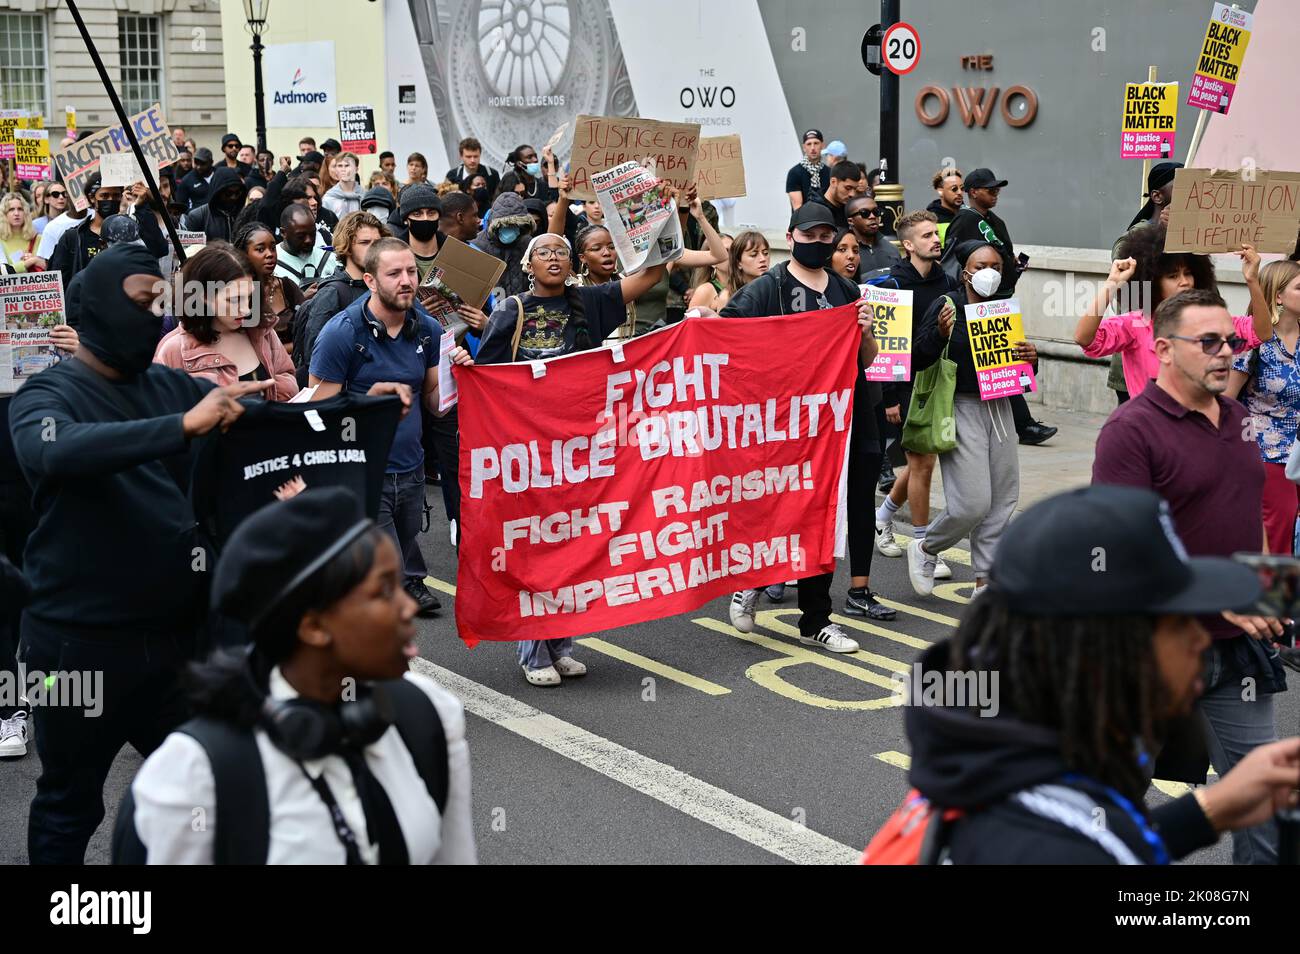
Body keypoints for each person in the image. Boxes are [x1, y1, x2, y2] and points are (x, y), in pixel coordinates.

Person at [9, 244, 273, 862]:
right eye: (139, 302)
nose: (151, 313)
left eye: (161, 302)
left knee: (216, 785)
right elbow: (55, 450)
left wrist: (356, 414)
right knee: (70, 802)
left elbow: (250, 451)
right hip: (76, 647)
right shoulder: (44, 397)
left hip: (178, 640)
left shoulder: (172, 387)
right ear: (96, 306)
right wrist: (181, 427)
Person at [887, 483, 1300, 865]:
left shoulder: (1005, 772)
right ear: (1105, 653)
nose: (1201, 639)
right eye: (1179, 622)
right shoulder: (1047, 845)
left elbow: (1103, 845)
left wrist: (1210, 811)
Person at [122, 487, 476, 864]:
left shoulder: (429, 713)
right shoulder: (191, 781)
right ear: (312, 627)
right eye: (383, 591)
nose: (408, 607)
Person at [1093, 288, 1287, 864]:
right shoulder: (1131, 431)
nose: (1225, 352)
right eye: (1208, 342)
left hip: (1233, 649)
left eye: (1230, 340)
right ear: (1164, 350)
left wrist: (1268, 593)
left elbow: (1248, 509)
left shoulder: (1237, 419)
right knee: (1108, 803)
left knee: (1264, 791)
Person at [470, 232, 665, 684]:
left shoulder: (593, 301)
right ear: (528, 264)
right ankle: (532, 651)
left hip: (580, 447)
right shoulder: (511, 310)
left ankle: (561, 644)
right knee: (536, 547)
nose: (552, 258)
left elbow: (654, 273)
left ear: (571, 261)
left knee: (572, 545)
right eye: (543, 252)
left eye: (560, 251)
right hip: (530, 450)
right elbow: (490, 379)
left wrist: (659, 218)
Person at [716, 203, 882, 649]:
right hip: (783, 426)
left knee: (826, 518)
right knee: (777, 508)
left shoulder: (848, 291)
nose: (819, 243)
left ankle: (815, 619)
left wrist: (865, 331)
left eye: (826, 236)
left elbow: (868, 361)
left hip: (834, 426)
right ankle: (751, 579)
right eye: (809, 236)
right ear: (790, 238)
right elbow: (726, 335)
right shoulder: (768, 288)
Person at [310, 237, 460, 617]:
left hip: (410, 469)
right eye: (394, 273)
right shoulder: (342, 333)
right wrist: (368, 402)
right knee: (386, 574)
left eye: (411, 271)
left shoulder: (426, 328)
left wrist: (456, 375)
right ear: (370, 280)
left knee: (400, 552)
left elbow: (434, 404)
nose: (407, 280)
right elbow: (316, 413)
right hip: (362, 470)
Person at [908, 240, 1039, 599]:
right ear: (965, 271)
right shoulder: (947, 304)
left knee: (1003, 498)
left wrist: (1031, 357)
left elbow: (1019, 368)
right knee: (972, 504)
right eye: (981, 266)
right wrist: (938, 334)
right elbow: (917, 357)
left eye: (996, 266)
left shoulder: (1003, 310)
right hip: (960, 406)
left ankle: (985, 579)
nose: (989, 273)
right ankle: (926, 547)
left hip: (1000, 407)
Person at [1074, 227, 1270, 402]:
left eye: (1188, 273)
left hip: (1199, 431)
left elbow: (1261, 333)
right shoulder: (1136, 324)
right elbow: (1085, 338)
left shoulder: (1211, 321)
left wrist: (1252, 279)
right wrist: (1111, 285)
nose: (1184, 282)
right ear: (1152, 282)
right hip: (1150, 432)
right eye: (1173, 276)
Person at [870, 210, 959, 583]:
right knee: (923, 465)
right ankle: (925, 547)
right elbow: (882, 345)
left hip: (939, 383)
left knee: (923, 462)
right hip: (903, 386)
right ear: (908, 245)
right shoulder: (891, 284)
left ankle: (883, 517)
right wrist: (889, 396)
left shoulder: (949, 281)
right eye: (925, 236)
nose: (935, 240)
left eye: (935, 235)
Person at [941, 167, 1056, 447]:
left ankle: (1021, 423)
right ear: (973, 192)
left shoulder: (995, 221)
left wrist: (1012, 266)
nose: (995, 193)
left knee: (1005, 357)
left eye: (997, 189)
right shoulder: (964, 221)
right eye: (989, 189)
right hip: (976, 301)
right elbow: (951, 259)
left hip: (1001, 298)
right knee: (996, 357)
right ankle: (1023, 424)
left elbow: (1002, 254)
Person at [155, 242, 297, 400]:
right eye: (234, 300)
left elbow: (287, 375)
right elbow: (164, 412)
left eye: (249, 298)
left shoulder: (261, 331)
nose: (246, 309)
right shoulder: (173, 351)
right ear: (204, 296)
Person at [1227, 261, 1300, 556]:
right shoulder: (1254, 344)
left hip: (1299, 452)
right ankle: (1276, 596)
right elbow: (1226, 403)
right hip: (1268, 456)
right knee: (1279, 531)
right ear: (1278, 296)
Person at [294, 210, 389, 372]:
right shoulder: (331, 294)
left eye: (377, 243)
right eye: (365, 243)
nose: (373, 249)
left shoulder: (385, 288)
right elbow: (316, 358)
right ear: (347, 246)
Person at [48, 175, 166, 288]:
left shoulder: (131, 232)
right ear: (92, 198)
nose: (111, 200)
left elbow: (159, 249)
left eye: (116, 195)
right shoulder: (73, 238)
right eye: (104, 196)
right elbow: (59, 282)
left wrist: (141, 207)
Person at [235, 222, 306, 352]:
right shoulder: (238, 294)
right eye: (260, 249)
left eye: (273, 248)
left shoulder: (286, 286)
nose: (270, 254)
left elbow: (310, 330)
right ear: (244, 254)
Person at [471, 192, 535, 300]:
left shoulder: (527, 244)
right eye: (506, 225)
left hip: (521, 308)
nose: (511, 228)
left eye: (516, 225)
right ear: (495, 225)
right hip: (489, 311)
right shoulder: (476, 246)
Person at [181, 166, 249, 243]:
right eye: (228, 193)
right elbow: (189, 249)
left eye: (237, 193)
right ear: (218, 192)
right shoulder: (198, 216)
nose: (233, 197)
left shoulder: (244, 214)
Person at [275, 204, 337, 289]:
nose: (308, 240)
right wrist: (301, 300)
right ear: (283, 233)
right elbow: (256, 301)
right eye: (300, 236)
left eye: (312, 234)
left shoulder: (331, 259)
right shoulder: (268, 263)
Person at [846, 193, 902, 277]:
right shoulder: (845, 253)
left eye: (876, 212)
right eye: (865, 213)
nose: (872, 216)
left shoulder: (892, 249)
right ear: (851, 221)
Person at [399, 184, 443, 280]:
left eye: (431, 213)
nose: (425, 218)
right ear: (406, 219)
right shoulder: (393, 253)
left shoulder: (453, 250)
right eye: (417, 214)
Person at [810, 161, 866, 230]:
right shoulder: (814, 211)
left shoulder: (851, 210)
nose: (852, 194)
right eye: (848, 188)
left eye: (855, 189)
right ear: (833, 182)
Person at [685, 233, 732, 313]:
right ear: (712, 262)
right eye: (725, 252)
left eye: (735, 250)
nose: (732, 256)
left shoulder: (744, 286)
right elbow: (692, 324)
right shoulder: (704, 290)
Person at [785, 128, 830, 210]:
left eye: (816, 143)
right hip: (803, 220)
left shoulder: (829, 172)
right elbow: (797, 208)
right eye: (809, 144)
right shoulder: (794, 173)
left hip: (827, 218)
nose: (813, 148)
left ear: (822, 145)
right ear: (804, 147)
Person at [1, 193, 39, 272]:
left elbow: (49, 267)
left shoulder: (38, 238)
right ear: (4, 214)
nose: (16, 213)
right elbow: (2, 272)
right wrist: (26, 263)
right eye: (11, 210)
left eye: (20, 209)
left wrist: (36, 260)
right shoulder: (1, 241)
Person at [925, 167, 963, 245]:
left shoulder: (970, 214)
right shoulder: (930, 220)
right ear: (940, 191)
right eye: (954, 189)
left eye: (962, 188)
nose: (960, 192)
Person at [323, 152, 364, 219]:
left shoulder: (365, 195)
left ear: (356, 169)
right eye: (340, 166)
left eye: (347, 165)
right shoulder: (329, 198)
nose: (343, 169)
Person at [177, 147, 216, 212]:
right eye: (196, 163)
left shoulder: (219, 175)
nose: (198, 167)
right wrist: (193, 215)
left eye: (202, 163)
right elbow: (181, 206)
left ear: (211, 162)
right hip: (198, 219)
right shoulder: (187, 180)